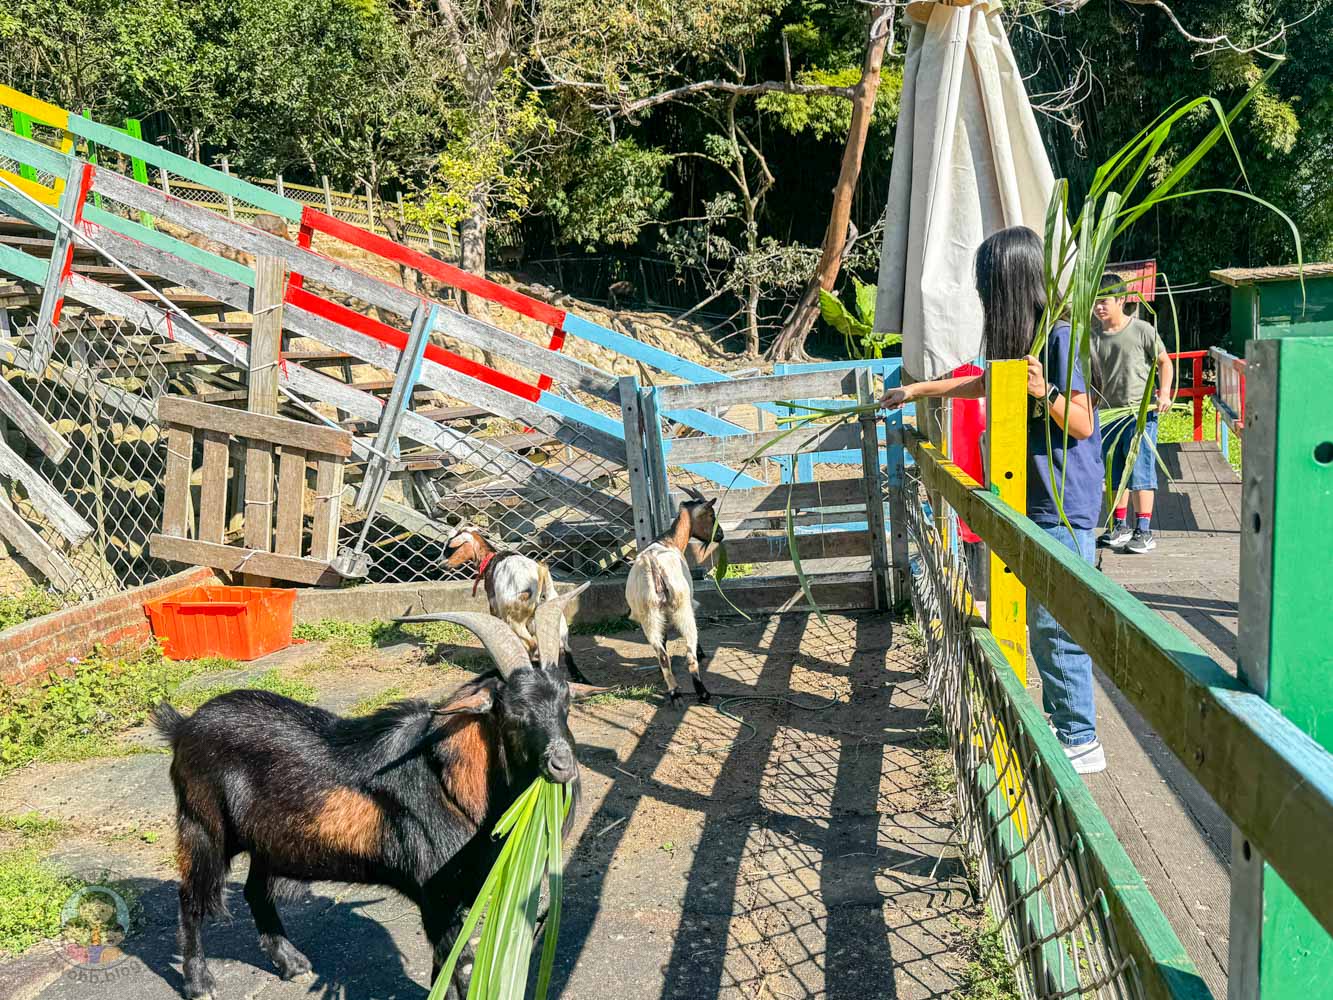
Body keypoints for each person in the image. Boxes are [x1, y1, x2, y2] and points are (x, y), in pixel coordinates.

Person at [879, 226, 1107, 775]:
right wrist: (914, 390)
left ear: (1008, 283)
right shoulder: (1025, 343)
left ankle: (1081, 737)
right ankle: (1064, 722)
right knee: (1040, 621)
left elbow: (1082, 422)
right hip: (1036, 500)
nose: (982, 295)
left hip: (1062, 504)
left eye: (985, 283)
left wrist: (1044, 392)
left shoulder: (1059, 338)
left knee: (1056, 626)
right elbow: (980, 385)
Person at [1090, 272, 1173, 553]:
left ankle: (1144, 530)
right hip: (1107, 416)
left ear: (1121, 300)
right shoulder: (1093, 337)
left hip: (1139, 416)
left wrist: (1164, 392)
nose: (1099, 307)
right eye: (1096, 302)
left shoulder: (1142, 330)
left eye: (1104, 301)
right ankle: (1119, 526)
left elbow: (1164, 362)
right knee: (1113, 473)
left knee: (1140, 472)